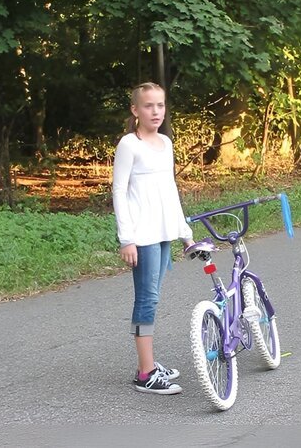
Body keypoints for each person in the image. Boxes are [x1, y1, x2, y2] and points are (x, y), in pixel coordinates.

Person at [112, 82, 194, 395]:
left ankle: (147, 365)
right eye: (148, 106)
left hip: (163, 234)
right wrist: (127, 238)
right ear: (135, 110)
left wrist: (185, 234)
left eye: (160, 105)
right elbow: (119, 191)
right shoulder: (129, 145)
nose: (156, 111)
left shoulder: (166, 143)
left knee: (154, 297)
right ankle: (145, 374)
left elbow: (169, 190)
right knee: (146, 300)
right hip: (142, 236)